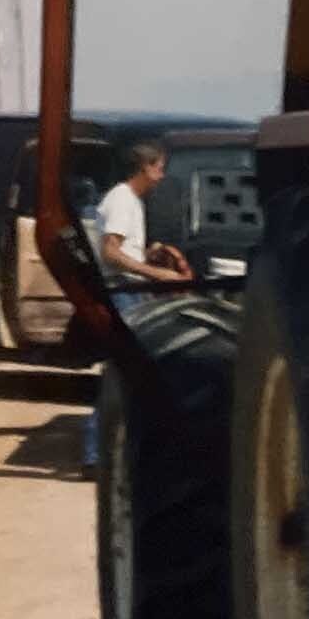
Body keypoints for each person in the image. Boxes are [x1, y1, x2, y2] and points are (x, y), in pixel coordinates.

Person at [81, 142, 191, 477]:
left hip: (131, 291)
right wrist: (157, 273)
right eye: (159, 168)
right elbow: (111, 252)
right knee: (126, 369)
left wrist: (149, 251)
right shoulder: (121, 200)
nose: (161, 175)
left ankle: (112, 452)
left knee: (134, 371)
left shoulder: (130, 202)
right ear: (145, 168)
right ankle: (94, 455)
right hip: (123, 293)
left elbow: (124, 247)